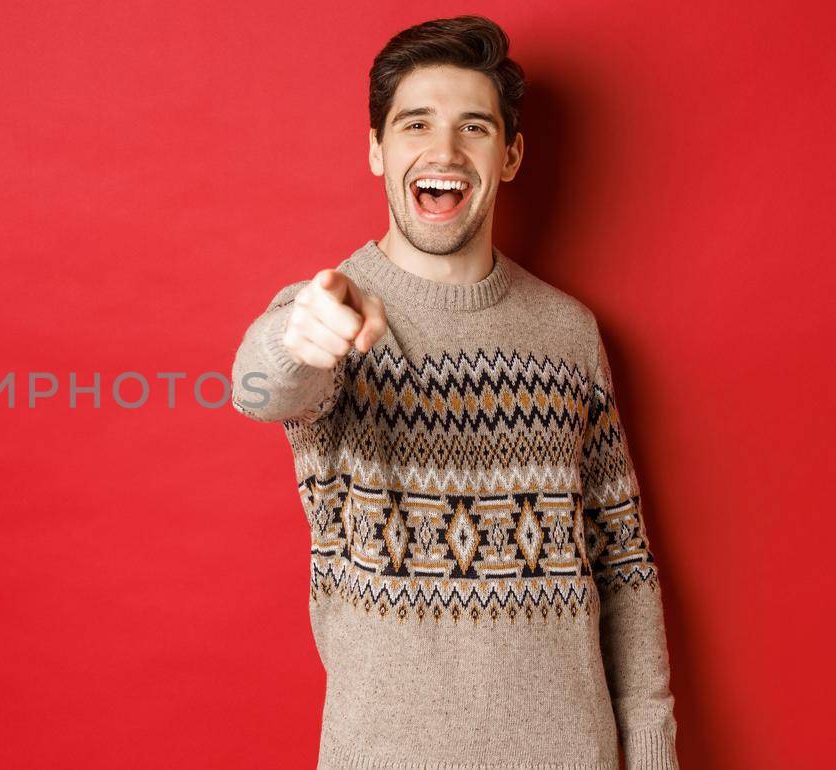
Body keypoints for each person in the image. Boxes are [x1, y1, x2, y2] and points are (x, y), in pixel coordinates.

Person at [229, 15, 680, 770]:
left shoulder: (570, 334)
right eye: (415, 125)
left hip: (575, 753)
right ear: (377, 150)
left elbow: (623, 564)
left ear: (510, 155)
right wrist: (294, 339)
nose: (443, 150)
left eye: (474, 127)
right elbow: (257, 387)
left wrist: (652, 747)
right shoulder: (332, 310)